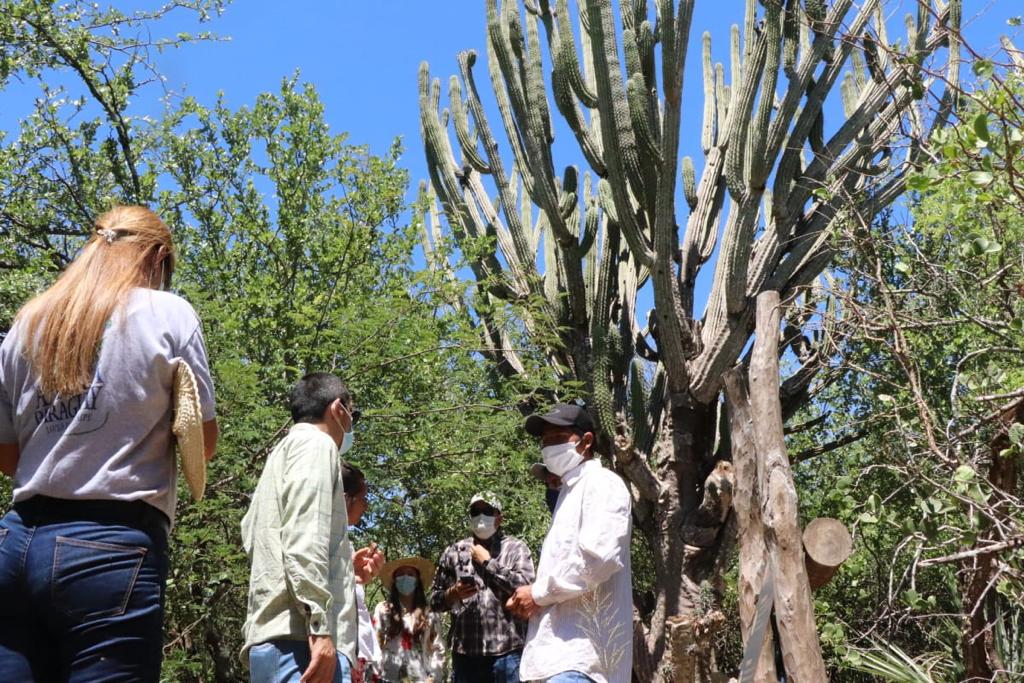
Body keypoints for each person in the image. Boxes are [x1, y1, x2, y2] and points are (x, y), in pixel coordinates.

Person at [0, 205, 218, 681]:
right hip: (111, 546)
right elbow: (202, 442)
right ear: (157, 257)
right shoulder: (167, 312)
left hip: (14, 544)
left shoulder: (28, 322)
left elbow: (7, 453)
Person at [241, 373, 381, 683]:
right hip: (302, 644)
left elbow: (254, 537)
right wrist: (319, 626)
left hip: (272, 642)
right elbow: (304, 537)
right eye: (353, 415)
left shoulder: (280, 454)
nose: (351, 425)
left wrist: (345, 570)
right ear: (338, 410)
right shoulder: (317, 444)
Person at [506, 404, 633, 683]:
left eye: (558, 438)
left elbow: (599, 560)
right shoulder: (569, 493)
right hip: (557, 659)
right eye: (545, 441)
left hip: (581, 659)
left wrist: (537, 593)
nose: (549, 447)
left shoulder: (602, 483)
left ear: (586, 441)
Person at [430, 492, 535, 682]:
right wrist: (452, 594)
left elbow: (527, 589)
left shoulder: (516, 548)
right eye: (475, 512)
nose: (480, 516)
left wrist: (488, 563)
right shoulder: (454, 551)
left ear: (499, 517)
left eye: (486, 511)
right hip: (465, 656)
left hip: (508, 653)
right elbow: (433, 601)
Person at [373, 557, 446, 683]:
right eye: (400, 574)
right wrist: (374, 675)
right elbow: (374, 644)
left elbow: (438, 647)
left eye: (410, 574)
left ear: (417, 581)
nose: (405, 577)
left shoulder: (430, 613)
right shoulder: (382, 609)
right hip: (387, 678)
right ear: (394, 580)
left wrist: (434, 677)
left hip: (422, 679)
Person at [343, 461, 384, 683]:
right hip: (340, 653)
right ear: (345, 499)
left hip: (357, 654)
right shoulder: (321, 541)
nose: (366, 506)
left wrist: (355, 575)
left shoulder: (345, 544)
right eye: (363, 498)